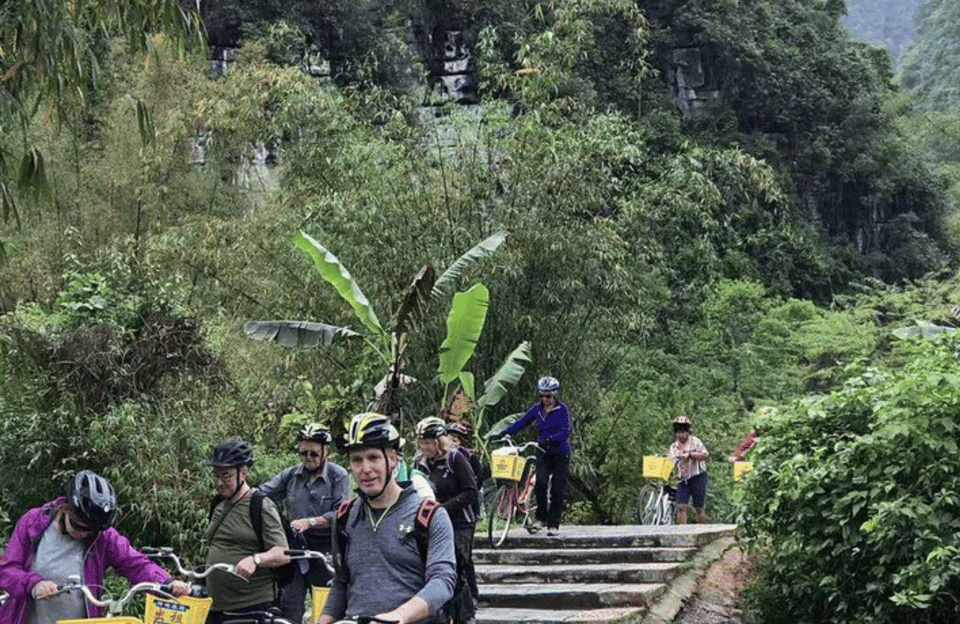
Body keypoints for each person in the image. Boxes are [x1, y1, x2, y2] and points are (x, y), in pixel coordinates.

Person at [0, 469, 191, 624]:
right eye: (79, 527)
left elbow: (134, 562)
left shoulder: (103, 536)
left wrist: (167, 583)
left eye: (92, 531)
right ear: (65, 508)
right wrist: (33, 585)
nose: (85, 534)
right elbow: (7, 570)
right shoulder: (33, 523)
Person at [320, 412, 456, 624]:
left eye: (373, 458)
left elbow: (443, 581)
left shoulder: (429, 515)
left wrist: (398, 617)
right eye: (357, 460)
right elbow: (341, 583)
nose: (365, 469)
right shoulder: (345, 516)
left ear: (392, 459)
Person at [258, 424, 350, 624]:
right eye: (304, 453)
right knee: (289, 607)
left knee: (327, 608)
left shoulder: (338, 475)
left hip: (326, 550)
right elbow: (261, 493)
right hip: (296, 549)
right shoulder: (292, 475)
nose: (308, 457)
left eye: (314, 453)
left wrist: (311, 522)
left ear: (326, 451)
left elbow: (342, 513)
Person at [204, 440, 290, 624]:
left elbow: (283, 554)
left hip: (252, 609)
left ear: (243, 473)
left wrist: (256, 560)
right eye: (215, 475)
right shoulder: (217, 504)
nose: (219, 482)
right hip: (216, 608)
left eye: (225, 476)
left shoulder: (260, 504)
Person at [413, 417, 477, 623]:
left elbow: (470, 491)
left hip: (459, 522)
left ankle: (465, 617)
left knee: (457, 569)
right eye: (422, 442)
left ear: (439, 441)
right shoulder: (418, 463)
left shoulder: (455, 459)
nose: (425, 447)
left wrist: (442, 509)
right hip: (430, 524)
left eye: (430, 442)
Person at [497, 376, 572, 536]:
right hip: (543, 452)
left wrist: (551, 439)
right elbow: (522, 421)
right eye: (542, 396)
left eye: (549, 396)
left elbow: (566, 431)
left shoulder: (562, 410)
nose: (545, 399)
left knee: (557, 489)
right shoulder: (537, 409)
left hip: (560, 453)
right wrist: (505, 433)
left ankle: (553, 524)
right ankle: (541, 519)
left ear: (555, 395)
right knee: (540, 484)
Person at [445, 421, 483, 602]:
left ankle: (471, 596)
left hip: (464, 516)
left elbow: (475, 486)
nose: (451, 442)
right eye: (448, 438)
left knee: (463, 557)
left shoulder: (465, 458)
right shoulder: (429, 461)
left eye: (454, 439)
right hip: (442, 516)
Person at [668, 415, 709, 524]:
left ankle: (701, 531)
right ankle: (683, 532)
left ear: (687, 432)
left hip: (697, 475)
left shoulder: (695, 442)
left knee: (699, 507)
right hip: (683, 479)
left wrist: (691, 455)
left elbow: (705, 455)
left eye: (683, 432)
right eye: (678, 433)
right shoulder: (674, 447)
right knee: (681, 506)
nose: (680, 435)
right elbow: (672, 462)